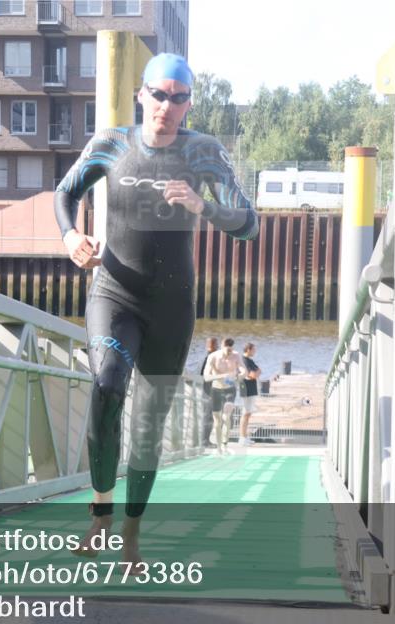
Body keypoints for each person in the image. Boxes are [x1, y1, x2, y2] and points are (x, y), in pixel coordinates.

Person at [54, 53, 258, 568]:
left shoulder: (204, 153)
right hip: (114, 293)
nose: (167, 106)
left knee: (147, 425)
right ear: (141, 95)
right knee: (105, 388)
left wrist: (202, 206)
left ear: (189, 103)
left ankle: (131, 528)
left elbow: (250, 224)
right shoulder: (111, 144)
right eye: (159, 95)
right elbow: (64, 193)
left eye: (179, 97)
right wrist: (71, 234)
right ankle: (100, 513)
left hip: (170, 307)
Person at [203, 338, 247, 454]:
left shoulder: (236, 356)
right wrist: (222, 376)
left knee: (226, 417)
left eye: (231, 351)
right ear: (222, 347)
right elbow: (206, 377)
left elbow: (244, 371)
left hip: (230, 390)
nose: (229, 354)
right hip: (216, 389)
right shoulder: (213, 357)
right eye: (227, 352)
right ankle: (218, 448)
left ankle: (225, 444)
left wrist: (239, 376)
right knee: (217, 421)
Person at [199, 337, 220, 448]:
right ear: (211, 346)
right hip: (207, 392)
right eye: (216, 344)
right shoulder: (208, 359)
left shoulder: (210, 358)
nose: (218, 347)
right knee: (207, 416)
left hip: (210, 391)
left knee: (209, 417)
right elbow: (204, 377)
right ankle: (204, 442)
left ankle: (206, 440)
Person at [239, 342, 261, 446]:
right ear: (248, 349)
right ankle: (242, 438)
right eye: (253, 350)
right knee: (245, 413)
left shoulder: (250, 360)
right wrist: (255, 374)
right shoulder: (244, 360)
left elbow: (259, 371)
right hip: (246, 389)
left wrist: (256, 373)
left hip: (251, 389)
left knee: (248, 414)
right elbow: (252, 375)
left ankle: (245, 437)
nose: (255, 351)